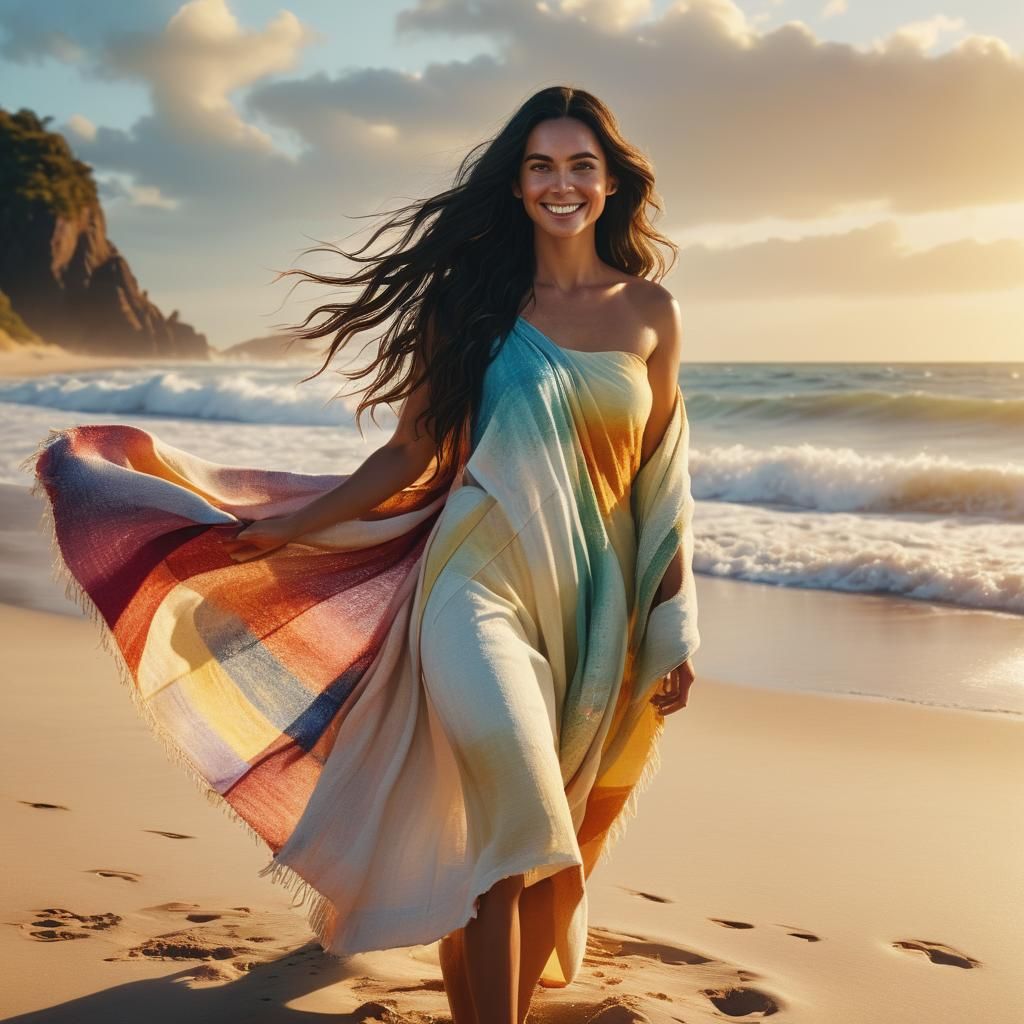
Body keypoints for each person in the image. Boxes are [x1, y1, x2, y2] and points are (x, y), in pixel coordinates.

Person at [25, 85, 699, 1024]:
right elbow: (411, 450)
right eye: (541, 165)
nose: (562, 183)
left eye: (581, 165)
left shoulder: (651, 312)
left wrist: (673, 620)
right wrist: (297, 525)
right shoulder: (472, 304)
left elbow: (661, 480)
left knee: (517, 844)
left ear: (611, 181)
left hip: (594, 610)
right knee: (519, 817)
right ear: (515, 184)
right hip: (474, 590)